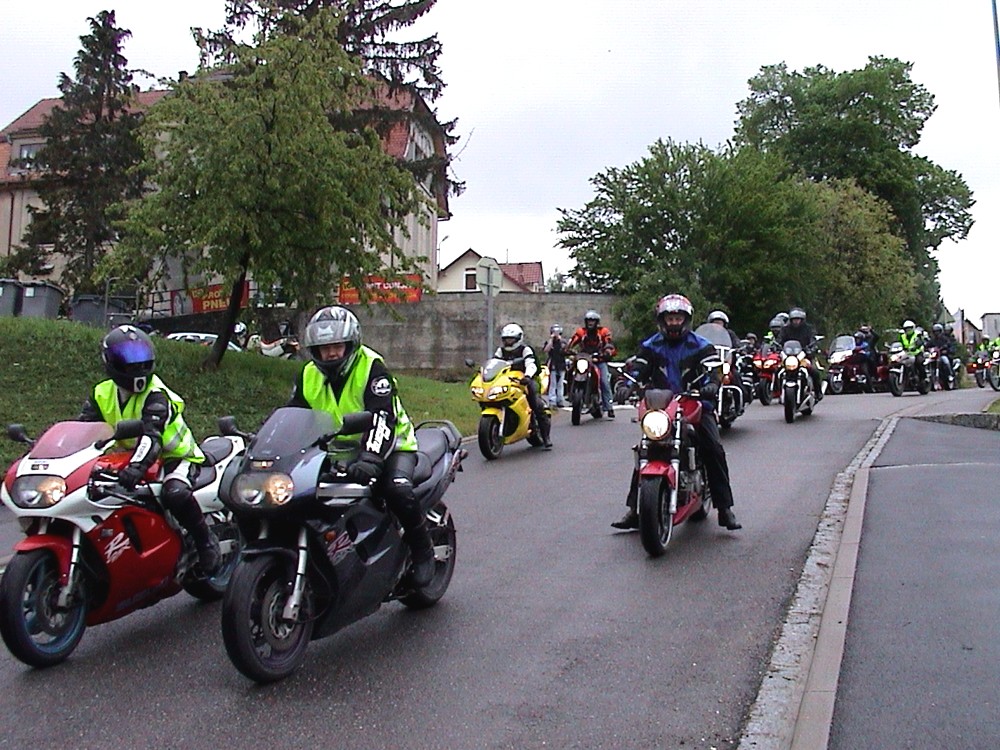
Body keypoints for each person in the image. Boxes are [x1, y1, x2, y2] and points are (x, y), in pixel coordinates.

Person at [288, 305, 436, 586]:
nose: (331, 353)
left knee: (396, 488)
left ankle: (422, 550)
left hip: (392, 445)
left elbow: (382, 418)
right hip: (336, 450)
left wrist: (370, 457)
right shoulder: (308, 375)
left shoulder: (371, 368)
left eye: (337, 346)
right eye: (323, 347)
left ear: (350, 344)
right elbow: (293, 416)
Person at [79, 325, 220, 573]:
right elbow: (82, 430)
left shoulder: (156, 394)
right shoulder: (101, 393)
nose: (137, 365)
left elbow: (151, 437)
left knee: (174, 493)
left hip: (175, 458)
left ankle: (205, 541)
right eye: (128, 359)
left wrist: (136, 467)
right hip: (129, 459)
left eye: (141, 357)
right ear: (110, 361)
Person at [611, 294, 741, 532]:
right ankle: (635, 509)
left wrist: (711, 384)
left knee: (713, 448)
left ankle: (724, 508)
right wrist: (625, 384)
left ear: (686, 319)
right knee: (646, 448)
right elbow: (638, 367)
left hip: (695, 405)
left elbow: (713, 368)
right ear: (662, 320)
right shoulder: (651, 346)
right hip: (661, 407)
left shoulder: (701, 346)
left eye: (677, 318)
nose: (673, 323)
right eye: (669, 318)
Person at [493, 322, 553, 449]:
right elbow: (494, 363)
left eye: (511, 339)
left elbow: (530, 363)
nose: (508, 342)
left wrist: (528, 376)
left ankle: (546, 437)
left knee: (536, 405)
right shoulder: (500, 350)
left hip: (527, 380)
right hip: (508, 380)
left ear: (518, 338)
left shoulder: (525, 349)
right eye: (506, 340)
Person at [565, 310, 617, 418]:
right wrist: (566, 349)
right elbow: (573, 341)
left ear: (597, 322)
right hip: (584, 359)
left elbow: (609, 343)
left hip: (599, 360)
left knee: (604, 381)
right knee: (570, 371)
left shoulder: (603, 331)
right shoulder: (581, 332)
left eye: (593, 321)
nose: (590, 323)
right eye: (588, 320)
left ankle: (609, 407)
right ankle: (570, 395)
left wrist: (607, 351)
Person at [778, 307, 824, 400]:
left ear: (802, 320)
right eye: (794, 320)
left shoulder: (808, 329)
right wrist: (777, 346)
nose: (796, 322)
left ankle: (818, 392)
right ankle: (779, 392)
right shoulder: (785, 329)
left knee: (814, 372)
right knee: (777, 370)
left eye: (798, 319)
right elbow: (780, 340)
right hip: (789, 355)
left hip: (804, 354)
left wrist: (812, 347)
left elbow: (813, 339)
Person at [543, 324, 567, 408]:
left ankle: (560, 400)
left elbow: (565, 349)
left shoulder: (563, 342)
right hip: (553, 364)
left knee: (560, 384)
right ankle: (552, 401)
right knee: (552, 383)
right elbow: (546, 350)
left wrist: (560, 340)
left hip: (561, 364)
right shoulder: (550, 342)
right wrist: (551, 340)